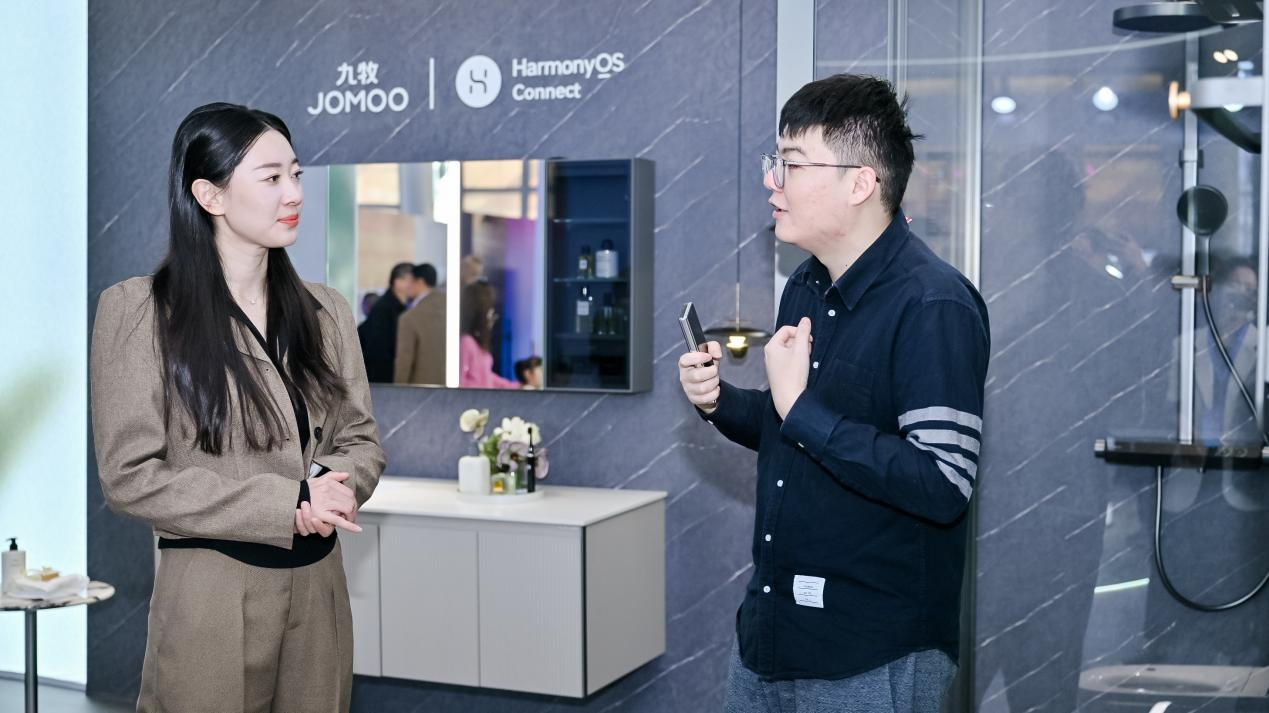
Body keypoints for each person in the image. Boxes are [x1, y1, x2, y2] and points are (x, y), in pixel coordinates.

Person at [677, 74, 989, 713]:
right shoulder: (806, 285)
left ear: (860, 183)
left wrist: (801, 409)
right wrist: (719, 402)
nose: (773, 182)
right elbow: (790, 429)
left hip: (871, 650)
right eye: (775, 162)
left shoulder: (933, 304)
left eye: (792, 165)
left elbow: (942, 482)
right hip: (773, 634)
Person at [90, 102, 385, 713]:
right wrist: (287, 503)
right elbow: (130, 476)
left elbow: (359, 438)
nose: (294, 193)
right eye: (271, 177)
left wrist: (334, 488)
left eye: (296, 174)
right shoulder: (141, 311)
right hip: (213, 592)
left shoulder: (326, 311)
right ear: (210, 195)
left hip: (320, 587)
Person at [357, 261, 416, 382]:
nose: (415, 284)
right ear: (398, 282)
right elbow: (378, 351)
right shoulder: (384, 309)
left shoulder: (402, 307)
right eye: (411, 280)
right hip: (384, 382)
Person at [459, 281, 519, 389]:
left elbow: (486, 376)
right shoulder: (466, 342)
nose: (492, 314)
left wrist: (517, 386)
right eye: (489, 309)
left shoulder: (476, 343)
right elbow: (461, 382)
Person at [394, 263, 447, 385]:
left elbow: (404, 362)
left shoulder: (409, 318)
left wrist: (398, 390)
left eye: (410, 281)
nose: (407, 286)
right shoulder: (453, 311)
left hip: (419, 389)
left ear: (420, 282)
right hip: (452, 389)